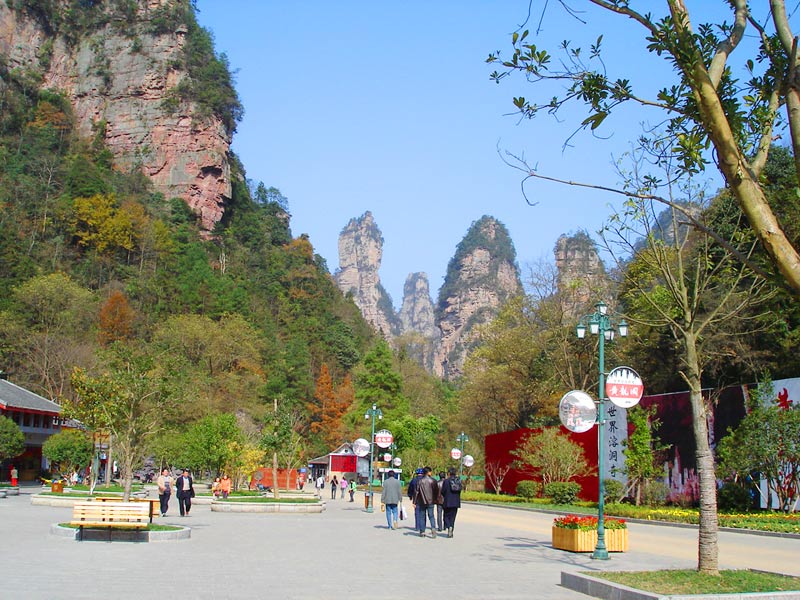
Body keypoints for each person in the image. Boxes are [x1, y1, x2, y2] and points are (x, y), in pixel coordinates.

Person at [413, 467, 440, 538]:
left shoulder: (420, 481)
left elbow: (416, 492)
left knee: (422, 516)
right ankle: (433, 528)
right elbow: (436, 492)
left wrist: (414, 502)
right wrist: (435, 500)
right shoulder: (433, 481)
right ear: (428, 472)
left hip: (422, 501)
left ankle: (422, 531)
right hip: (431, 501)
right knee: (431, 516)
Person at [441, 467, 463, 538]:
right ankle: (451, 528)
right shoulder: (458, 481)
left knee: (446, 516)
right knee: (453, 517)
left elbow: (443, 491)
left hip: (447, 501)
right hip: (456, 502)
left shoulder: (446, 481)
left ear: (449, 473)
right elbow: (460, 490)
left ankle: (448, 526)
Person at [407, 468, 424, 532]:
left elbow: (410, 489)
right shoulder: (425, 479)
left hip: (416, 498)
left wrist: (410, 496)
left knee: (417, 513)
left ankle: (417, 527)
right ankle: (423, 526)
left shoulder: (414, 480)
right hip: (424, 498)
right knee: (423, 513)